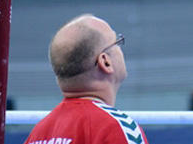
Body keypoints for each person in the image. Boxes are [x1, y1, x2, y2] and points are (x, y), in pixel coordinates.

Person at [24, 14, 147, 144]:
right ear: (105, 62)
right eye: (117, 42)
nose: (120, 49)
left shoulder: (38, 134)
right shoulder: (116, 129)